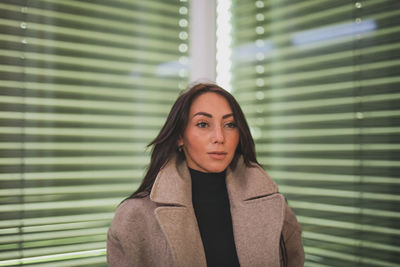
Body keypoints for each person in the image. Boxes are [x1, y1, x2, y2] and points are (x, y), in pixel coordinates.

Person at [107, 83, 304, 267]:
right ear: (179, 137)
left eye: (230, 125)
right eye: (203, 124)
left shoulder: (274, 204)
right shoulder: (134, 216)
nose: (219, 137)